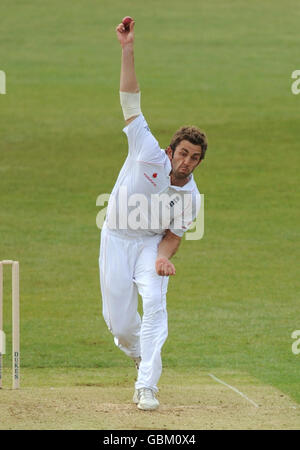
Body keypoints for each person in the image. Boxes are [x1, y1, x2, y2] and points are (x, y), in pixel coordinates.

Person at [99, 18, 208, 411]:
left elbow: (174, 234)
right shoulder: (145, 148)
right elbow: (130, 99)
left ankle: (147, 386)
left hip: (148, 246)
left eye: (195, 158)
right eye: (183, 153)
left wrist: (163, 257)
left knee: (156, 305)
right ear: (169, 150)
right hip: (115, 238)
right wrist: (127, 48)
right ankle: (140, 357)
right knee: (121, 325)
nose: (187, 162)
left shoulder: (191, 197)